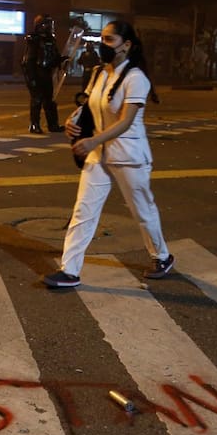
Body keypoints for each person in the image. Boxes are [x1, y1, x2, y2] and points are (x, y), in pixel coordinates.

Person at [43, 20, 173, 289]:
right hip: (99, 154)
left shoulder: (137, 78)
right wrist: (73, 119)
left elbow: (126, 121)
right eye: (102, 39)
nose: (104, 45)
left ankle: (162, 256)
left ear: (127, 45)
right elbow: (90, 107)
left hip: (128, 155)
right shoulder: (99, 74)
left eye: (110, 40)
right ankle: (70, 270)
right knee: (84, 211)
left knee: (142, 211)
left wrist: (92, 141)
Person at [21, 14, 64, 134]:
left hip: (47, 73)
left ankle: (53, 124)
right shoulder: (34, 40)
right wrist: (31, 78)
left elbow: (53, 58)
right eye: (47, 24)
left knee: (49, 100)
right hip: (37, 73)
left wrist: (62, 60)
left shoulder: (51, 39)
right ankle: (34, 125)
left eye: (50, 24)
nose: (49, 27)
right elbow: (28, 60)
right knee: (37, 100)